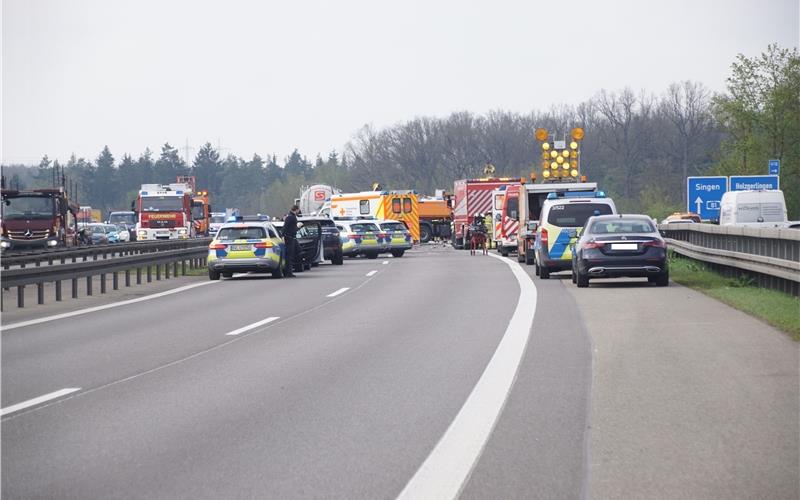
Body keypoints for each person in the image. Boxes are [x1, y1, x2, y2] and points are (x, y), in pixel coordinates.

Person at [283, 205, 300, 277]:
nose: (299, 211)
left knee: (291, 255)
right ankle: (288, 273)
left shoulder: (290, 216)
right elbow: (287, 228)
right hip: (289, 238)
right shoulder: (291, 217)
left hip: (290, 238)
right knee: (289, 257)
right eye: (298, 210)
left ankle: (289, 272)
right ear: (296, 209)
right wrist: (298, 227)